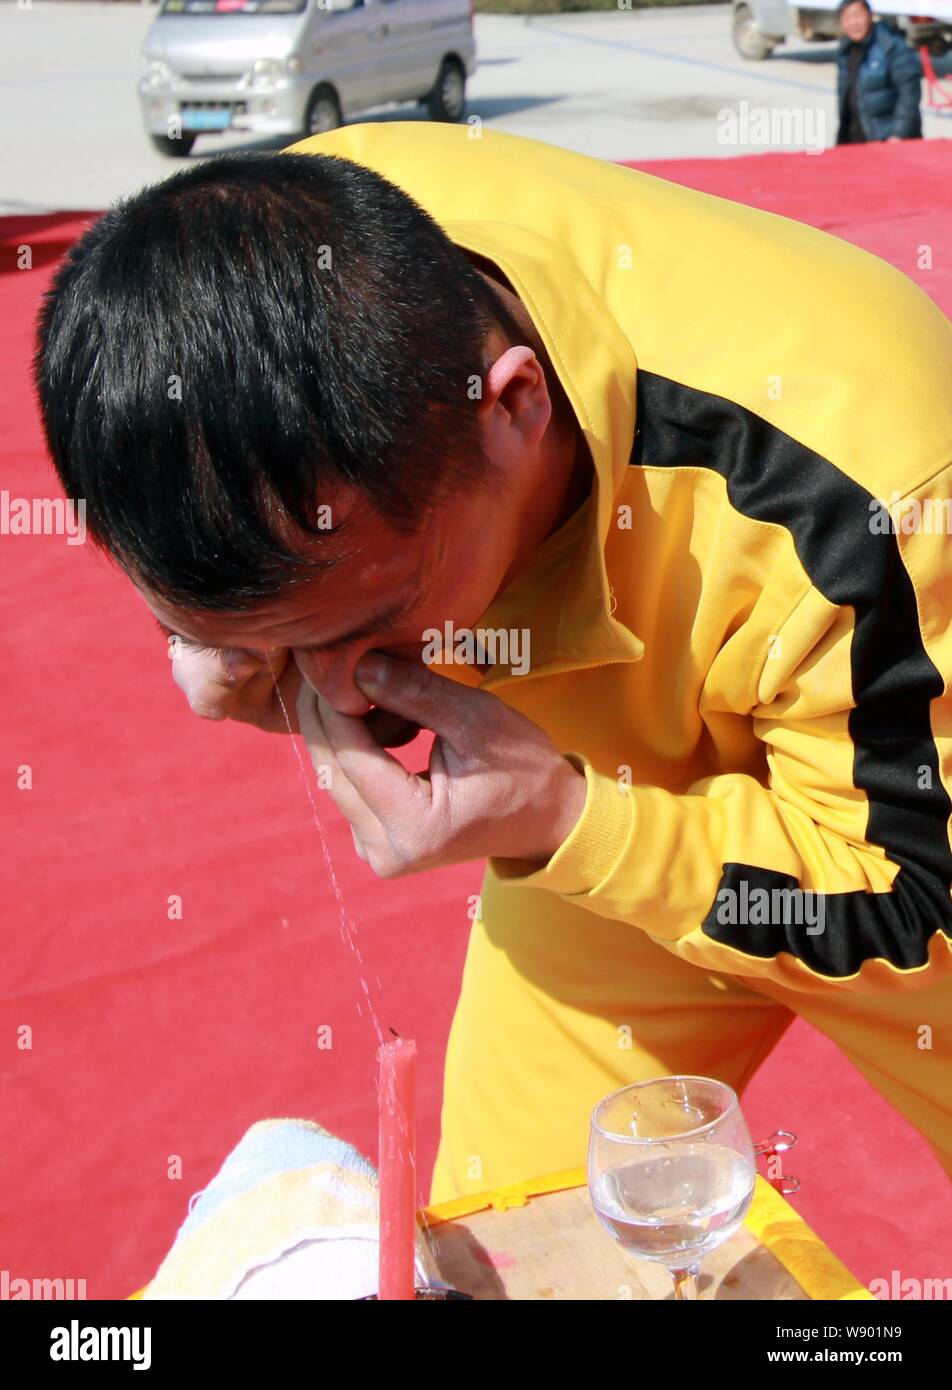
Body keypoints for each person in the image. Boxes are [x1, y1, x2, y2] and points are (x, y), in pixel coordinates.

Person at [33, 124, 952, 1206]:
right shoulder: (265, 267)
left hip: (885, 851)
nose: (335, 696)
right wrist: (201, 640)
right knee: (516, 1234)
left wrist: (571, 823)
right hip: (591, 776)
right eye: (279, 642)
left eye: (367, 619)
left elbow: (913, 908)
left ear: (513, 406)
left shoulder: (876, 478)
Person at [836, 0, 923, 144]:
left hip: (888, 141)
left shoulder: (892, 46)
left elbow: (909, 95)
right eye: (847, 18)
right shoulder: (845, 50)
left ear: (870, 15)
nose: (854, 23)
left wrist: (898, 135)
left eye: (858, 15)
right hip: (855, 141)